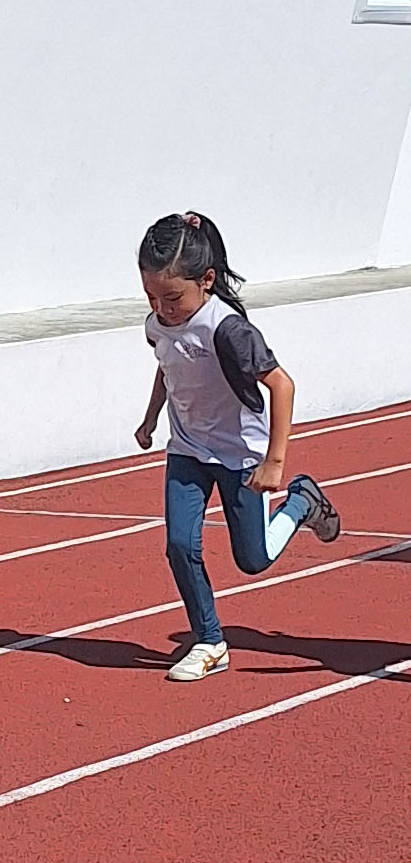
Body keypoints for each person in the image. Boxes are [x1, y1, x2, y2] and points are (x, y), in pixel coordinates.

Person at [134, 212, 340, 682]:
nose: (162, 308)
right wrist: (149, 418)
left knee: (252, 559)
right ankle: (209, 641)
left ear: (207, 281)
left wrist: (275, 461)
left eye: (172, 298)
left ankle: (302, 501)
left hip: (240, 455)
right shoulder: (157, 324)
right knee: (179, 543)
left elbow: (282, 385)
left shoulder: (228, 330)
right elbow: (168, 367)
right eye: (151, 297)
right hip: (186, 448)